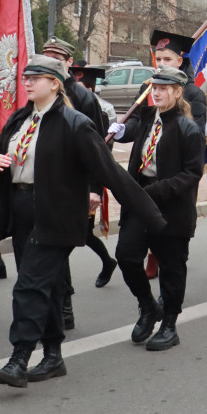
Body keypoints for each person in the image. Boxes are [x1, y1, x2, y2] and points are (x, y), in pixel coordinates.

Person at [0, 56, 166, 388]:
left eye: (35, 78)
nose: (27, 82)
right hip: (23, 210)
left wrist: (151, 215)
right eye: (25, 77)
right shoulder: (20, 118)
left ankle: (19, 358)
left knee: (28, 286)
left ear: (55, 83)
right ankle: (53, 355)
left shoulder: (74, 123)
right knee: (49, 286)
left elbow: (110, 172)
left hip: (56, 217)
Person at [112, 67, 204, 350]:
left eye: (164, 88)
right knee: (126, 256)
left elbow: (192, 174)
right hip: (140, 203)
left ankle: (169, 324)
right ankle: (148, 306)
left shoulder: (187, 128)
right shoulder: (148, 117)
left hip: (170, 208)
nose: (157, 92)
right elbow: (133, 136)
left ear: (178, 92)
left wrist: (154, 191)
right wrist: (119, 130)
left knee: (171, 266)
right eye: (155, 87)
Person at [42, 37, 107, 328]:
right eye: (47, 56)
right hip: (44, 184)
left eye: (58, 58)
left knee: (59, 247)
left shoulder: (84, 99)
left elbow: (98, 150)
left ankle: (64, 307)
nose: (52, 61)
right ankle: (57, 306)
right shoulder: (37, 92)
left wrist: (95, 189)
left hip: (74, 185)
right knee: (51, 247)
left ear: (70, 64)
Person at [68, 64, 120, 288]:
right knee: (80, 232)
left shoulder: (100, 107)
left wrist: (95, 186)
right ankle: (108, 262)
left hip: (88, 178)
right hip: (69, 179)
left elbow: (102, 148)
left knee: (78, 233)